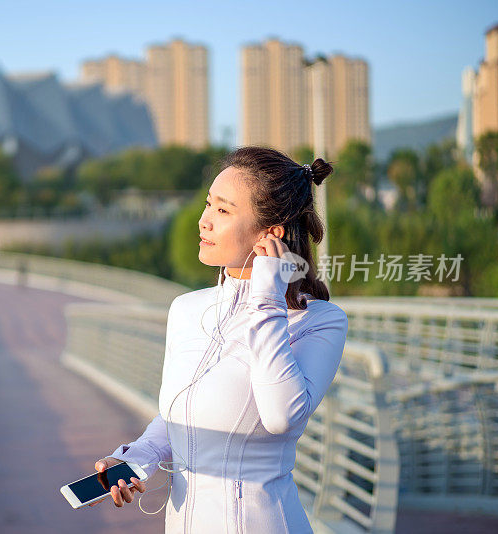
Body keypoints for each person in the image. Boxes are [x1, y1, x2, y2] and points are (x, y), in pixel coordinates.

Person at [89, 146, 349, 533]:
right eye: (208, 205)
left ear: (270, 234)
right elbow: (180, 413)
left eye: (223, 211)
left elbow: (281, 417)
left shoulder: (318, 321)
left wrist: (267, 296)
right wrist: (134, 458)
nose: (204, 221)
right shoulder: (186, 310)